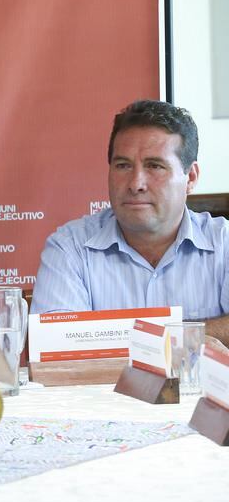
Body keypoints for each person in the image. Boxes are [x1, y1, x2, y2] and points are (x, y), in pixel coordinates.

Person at [31, 100, 229, 341]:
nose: (136, 184)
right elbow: (54, 345)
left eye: (155, 166)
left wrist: (113, 338)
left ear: (190, 178)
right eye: (123, 166)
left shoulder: (224, 243)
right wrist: (192, 336)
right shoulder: (69, 247)